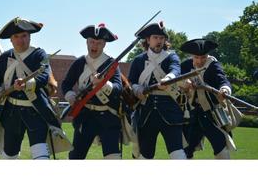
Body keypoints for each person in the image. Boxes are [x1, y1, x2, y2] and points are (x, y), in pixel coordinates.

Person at [0, 17, 72, 160]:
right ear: (11, 40)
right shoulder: (5, 56)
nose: (20, 40)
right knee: (9, 155)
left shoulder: (39, 54)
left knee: (40, 155)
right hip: (11, 113)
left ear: (30, 37)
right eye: (16, 36)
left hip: (36, 111)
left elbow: (44, 75)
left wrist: (26, 84)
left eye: (24, 36)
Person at [61, 23, 123, 159]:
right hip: (85, 116)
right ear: (87, 42)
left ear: (104, 44)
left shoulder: (111, 64)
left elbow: (118, 89)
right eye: (91, 42)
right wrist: (70, 96)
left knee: (113, 158)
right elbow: (66, 84)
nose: (94, 46)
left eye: (99, 43)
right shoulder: (79, 63)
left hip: (108, 116)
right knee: (76, 157)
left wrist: (104, 83)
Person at [128, 21, 186, 159]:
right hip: (146, 113)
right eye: (155, 37)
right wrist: (137, 90)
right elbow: (132, 82)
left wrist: (169, 78)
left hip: (170, 112)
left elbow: (175, 69)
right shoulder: (138, 60)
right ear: (148, 40)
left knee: (178, 154)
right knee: (145, 156)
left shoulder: (171, 57)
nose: (159, 41)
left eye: (161, 38)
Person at [180, 38, 236, 159]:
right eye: (196, 57)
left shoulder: (214, 65)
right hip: (192, 114)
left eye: (203, 57)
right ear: (191, 56)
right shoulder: (185, 65)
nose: (200, 61)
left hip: (213, 114)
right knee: (186, 150)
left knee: (220, 147)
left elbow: (223, 80)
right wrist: (185, 82)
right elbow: (177, 79)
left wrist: (225, 89)